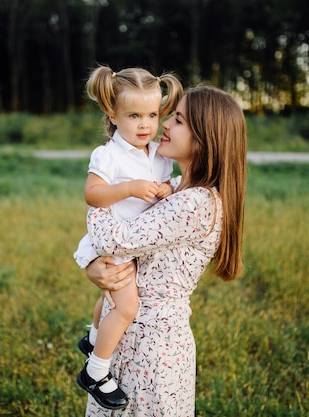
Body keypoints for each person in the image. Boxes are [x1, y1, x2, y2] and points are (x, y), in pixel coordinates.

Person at [78, 85, 248, 416]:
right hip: (130, 335)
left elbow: (116, 241)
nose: (165, 125)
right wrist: (96, 269)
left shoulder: (196, 202)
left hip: (152, 348)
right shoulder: (177, 189)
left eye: (179, 119)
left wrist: (100, 195)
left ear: (205, 137)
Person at [73, 65, 183, 410]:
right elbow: (93, 195)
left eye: (152, 114)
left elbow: (167, 186)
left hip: (135, 244)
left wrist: (166, 188)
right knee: (127, 306)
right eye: (134, 115)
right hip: (113, 243)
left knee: (110, 300)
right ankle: (97, 370)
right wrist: (129, 189)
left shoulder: (156, 153)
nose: (145, 125)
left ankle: (93, 339)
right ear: (112, 113)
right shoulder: (108, 155)